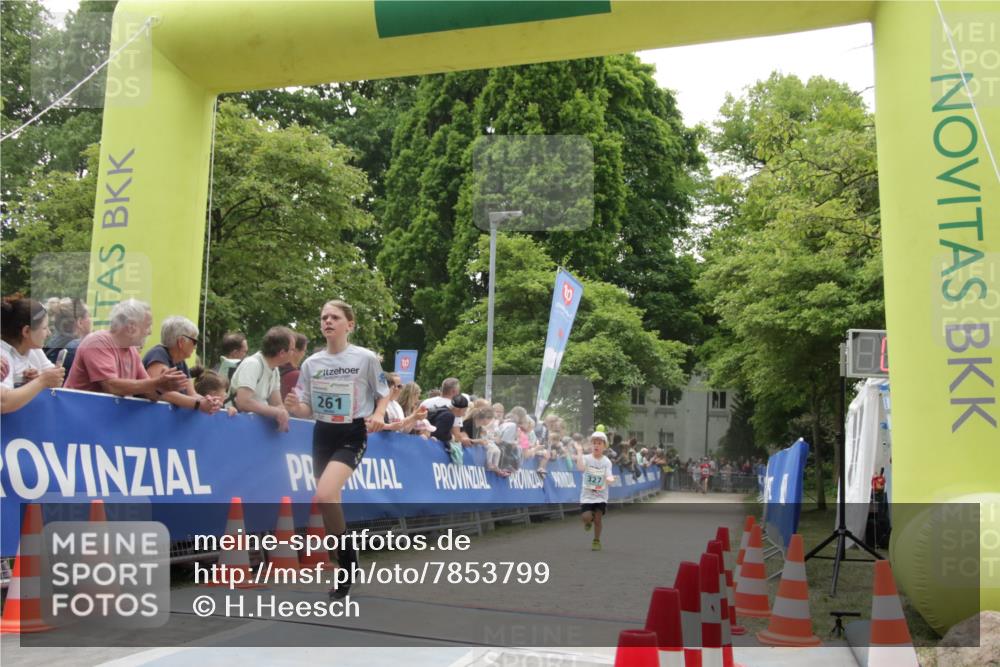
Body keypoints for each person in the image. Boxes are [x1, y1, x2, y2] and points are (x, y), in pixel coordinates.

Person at [284, 300, 390, 600]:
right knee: (331, 505)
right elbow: (306, 409)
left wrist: (380, 414)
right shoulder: (311, 364)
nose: (327, 321)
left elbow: (384, 393)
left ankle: (347, 561)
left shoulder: (365, 358)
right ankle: (345, 569)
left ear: (349, 324)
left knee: (324, 495)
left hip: (352, 432)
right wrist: (295, 407)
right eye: (323, 317)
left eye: (334, 317)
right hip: (323, 433)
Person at [64, 299, 188, 397]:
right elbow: (112, 386)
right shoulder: (97, 342)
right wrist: (157, 383)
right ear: (131, 327)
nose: (149, 332)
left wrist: (164, 387)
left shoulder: (132, 351)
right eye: (148, 326)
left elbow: (150, 393)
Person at [142, 316, 221, 414]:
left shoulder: (181, 362)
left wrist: (209, 401)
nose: (195, 347)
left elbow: (192, 394)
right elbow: (163, 393)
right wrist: (198, 404)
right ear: (181, 342)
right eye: (194, 341)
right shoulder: (158, 354)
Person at [1, 296, 56, 389]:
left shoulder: (33, 348)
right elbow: (5, 401)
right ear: (26, 331)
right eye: (44, 328)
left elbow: (55, 380)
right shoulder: (3, 358)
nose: (49, 333)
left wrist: (38, 377)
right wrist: (40, 382)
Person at [577, 431, 615, 551]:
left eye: (599, 443)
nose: (596, 445)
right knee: (585, 517)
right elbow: (581, 468)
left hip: (601, 495)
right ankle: (588, 521)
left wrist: (610, 479)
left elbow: (609, 475)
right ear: (591, 445)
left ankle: (596, 540)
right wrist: (579, 452)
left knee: (598, 519)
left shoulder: (606, 461)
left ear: (604, 446)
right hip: (587, 495)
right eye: (594, 443)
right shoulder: (586, 458)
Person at [43, 297, 92, 372]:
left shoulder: (54, 342)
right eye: (89, 316)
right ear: (80, 322)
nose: (91, 320)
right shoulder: (76, 348)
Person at [1, 365, 65, 413]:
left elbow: (56, 380)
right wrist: (42, 380)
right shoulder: (4, 353)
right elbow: (3, 402)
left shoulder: (35, 351)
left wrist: (33, 381)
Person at [279, 332, 308, 400]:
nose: (304, 354)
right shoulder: (296, 375)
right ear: (296, 351)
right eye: (304, 351)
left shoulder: (275, 369)